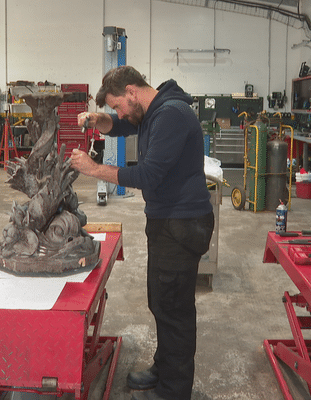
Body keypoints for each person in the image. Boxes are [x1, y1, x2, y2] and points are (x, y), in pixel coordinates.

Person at [70, 66, 214, 400]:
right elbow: (120, 124)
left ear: (132, 91)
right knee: (161, 302)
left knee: (175, 309)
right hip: (167, 222)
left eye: (118, 104)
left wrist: (93, 169)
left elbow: (147, 177)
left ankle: (173, 391)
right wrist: (98, 119)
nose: (118, 113)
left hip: (182, 224)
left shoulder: (170, 116)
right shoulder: (152, 110)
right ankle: (163, 369)